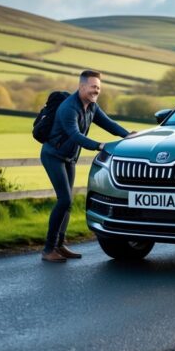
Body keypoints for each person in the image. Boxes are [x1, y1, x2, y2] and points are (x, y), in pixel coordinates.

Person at [40, 70, 134, 263]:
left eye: (98, 87)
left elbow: (108, 123)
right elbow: (75, 135)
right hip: (53, 156)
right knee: (64, 200)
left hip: (68, 157)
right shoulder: (69, 108)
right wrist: (99, 146)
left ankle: (60, 245)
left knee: (68, 202)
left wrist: (128, 136)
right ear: (81, 86)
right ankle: (48, 249)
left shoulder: (91, 106)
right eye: (92, 86)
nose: (96, 91)